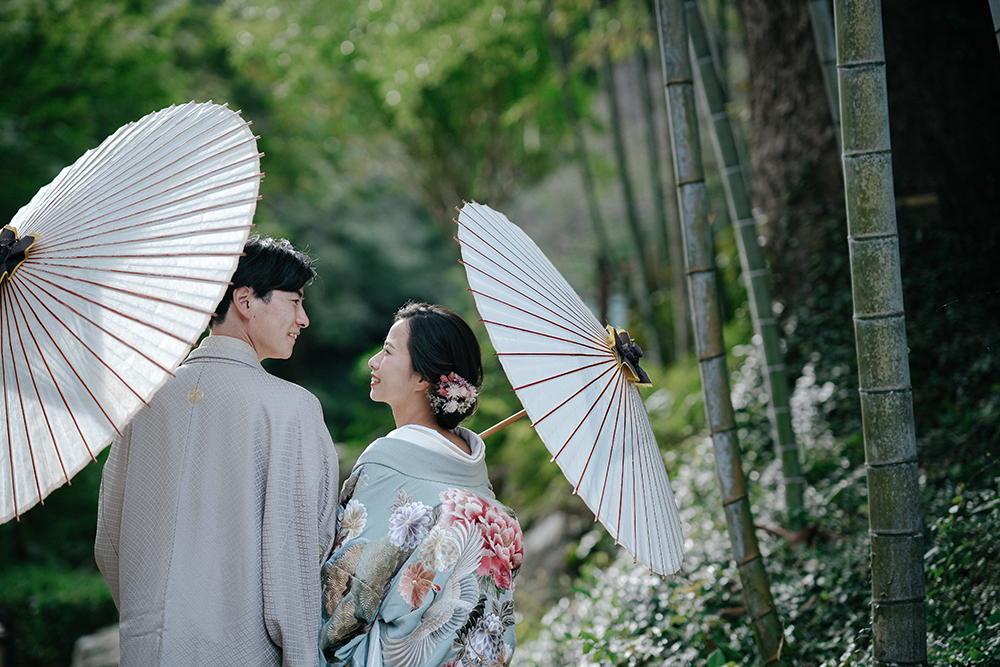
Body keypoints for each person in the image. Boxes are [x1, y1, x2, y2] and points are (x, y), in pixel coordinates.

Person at [95, 236, 340, 666]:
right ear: (245, 300)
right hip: (241, 651)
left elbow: (109, 541)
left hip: (148, 646)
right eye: (295, 301)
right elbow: (298, 554)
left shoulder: (143, 398)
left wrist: (151, 617)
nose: (303, 319)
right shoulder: (292, 407)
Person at [320, 302, 524, 667]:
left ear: (422, 378)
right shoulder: (491, 503)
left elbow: (349, 586)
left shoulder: (386, 462)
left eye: (388, 351)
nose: (374, 362)